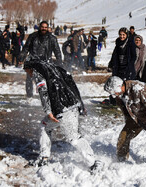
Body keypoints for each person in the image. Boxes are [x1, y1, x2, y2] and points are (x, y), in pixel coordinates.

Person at [19, 21, 102, 173]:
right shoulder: (56, 69)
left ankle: (93, 163)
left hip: (62, 109)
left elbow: (43, 93)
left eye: (28, 71)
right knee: (45, 125)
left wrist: (49, 111)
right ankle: (44, 157)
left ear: (31, 68)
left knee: (74, 138)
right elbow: (71, 83)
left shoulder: (39, 73)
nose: (29, 75)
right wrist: (80, 104)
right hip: (72, 105)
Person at [19, 21, 62, 99]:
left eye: (45, 27)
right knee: (29, 79)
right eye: (42, 27)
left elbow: (57, 51)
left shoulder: (52, 38)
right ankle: (29, 96)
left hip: (46, 61)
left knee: (48, 80)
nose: (44, 29)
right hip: (33, 60)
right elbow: (26, 48)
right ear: (39, 27)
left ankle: (47, 97)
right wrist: (22, 57)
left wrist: (59, 62)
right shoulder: (32, 36)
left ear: (48, 28)